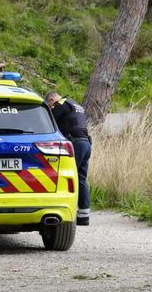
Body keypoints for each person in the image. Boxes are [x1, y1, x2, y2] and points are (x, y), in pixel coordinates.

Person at [45, 90, 92, 226]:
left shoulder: (60, 105)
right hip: (86, 143)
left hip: (75, 144)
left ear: (51, 100)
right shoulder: (75, 105)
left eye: (50, 105)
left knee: (67, 177)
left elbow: (49, 121)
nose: (51, 107)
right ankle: (84, 214)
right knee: (80, 178)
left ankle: (64, 210)